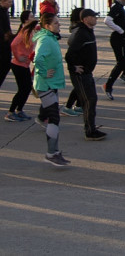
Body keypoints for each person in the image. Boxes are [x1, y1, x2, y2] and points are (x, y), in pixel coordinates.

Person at [34, 13, 69, 166]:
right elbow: (37, 58)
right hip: (45, 85)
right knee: (54, 117)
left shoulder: (50, 38)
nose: (59, 25)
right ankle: (51, 153)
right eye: (56, 23)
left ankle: (53, 152)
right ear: (47, 26)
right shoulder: (45, 39)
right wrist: (43, 72)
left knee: (54, 118)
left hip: (51, 84)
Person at [65, 9, 106, 141]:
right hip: (81, 74)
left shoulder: (88, 31)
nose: (96, 19)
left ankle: (91, 128)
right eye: (93, 17)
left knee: (91, 100)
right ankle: (89, 131)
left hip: (88, 73)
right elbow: (69, 54)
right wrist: (73, 67)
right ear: (85, 19)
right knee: (89, 100)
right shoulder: (81, 33)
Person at [6, 10, 35, 121]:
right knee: (23, 89)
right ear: (26, 20)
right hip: (18, 65)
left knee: (27, 88)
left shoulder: (29, 30)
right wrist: (18, 56)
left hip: (24, 64)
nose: (34, 18)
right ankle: (10, 112)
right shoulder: (24, 31)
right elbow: (13, 44)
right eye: (32, 16)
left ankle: (19, 110)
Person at [103, 0, 125, 100]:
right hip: (118, 39)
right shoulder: (117, 7)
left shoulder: (120, 7)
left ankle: (109, 85)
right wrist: (121, 30)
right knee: (121, 63)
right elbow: (107, 20)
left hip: (122, 39)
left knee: (122, 63)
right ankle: (108, 86)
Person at [0, 0, 13, 94]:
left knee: (6, 65)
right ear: (2, 1)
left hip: (6, 44)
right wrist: (5, 35)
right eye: (9, 2)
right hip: (2, 45)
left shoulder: (4, 11)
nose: (11, 4)